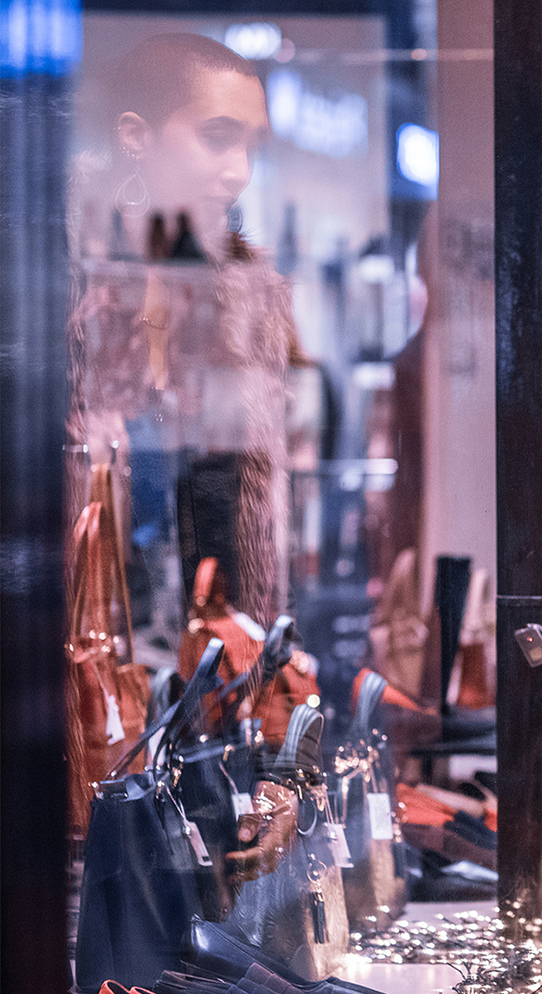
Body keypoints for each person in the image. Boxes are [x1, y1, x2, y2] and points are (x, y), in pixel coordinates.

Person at [68, 32, 301, 875]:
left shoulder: (243, 293)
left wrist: (273, 720)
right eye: (215, 136)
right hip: (80, 686)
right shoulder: (67, 284)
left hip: (197, 700)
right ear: (136, 135)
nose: (238, 169)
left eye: (251, 144)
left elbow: (255, 527)